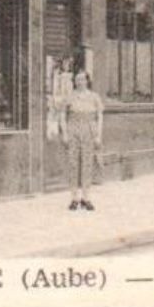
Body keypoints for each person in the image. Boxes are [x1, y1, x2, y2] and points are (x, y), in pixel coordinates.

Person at [62, 70, 103, 211]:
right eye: (77, 80)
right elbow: (62, 114)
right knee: (73, 163)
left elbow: (99, 116)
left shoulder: (94, 97)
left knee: (87, 163)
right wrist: (65, 133)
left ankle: (86, 197)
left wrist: (98, 135)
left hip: (89, 130)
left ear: (87, 81)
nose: (80, 82)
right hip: (74, 128)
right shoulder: (70, 97)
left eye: (82, 80)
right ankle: (74, 198)